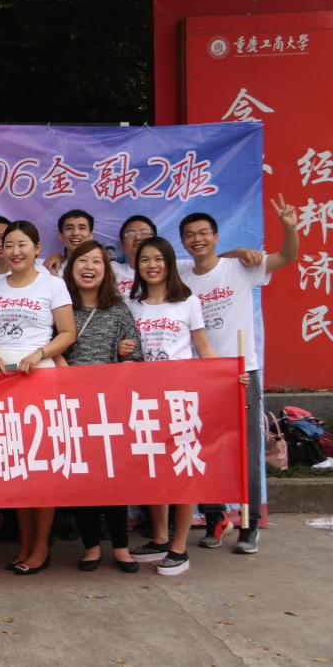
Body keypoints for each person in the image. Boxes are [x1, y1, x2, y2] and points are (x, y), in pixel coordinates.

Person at [179, 197, 299, 554]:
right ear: (183, 241)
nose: (197, 239)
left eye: (203, 233)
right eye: (190, 235)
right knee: (202, 448)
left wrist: (289, 227)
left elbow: (286, 257)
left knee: (246, 449)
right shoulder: (181, 273)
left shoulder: (240, 267)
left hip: (241, 370)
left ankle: (249, 524)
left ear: (215, 236)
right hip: (199, 373)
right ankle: (215, 517)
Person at [0, 221, 76, 576]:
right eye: (9, 245)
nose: (15, 251)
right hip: (2, 383)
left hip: (41, 378)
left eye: (22, 244)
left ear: (37, 248)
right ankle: (24, 542)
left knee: (42, 464)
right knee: (15, 466)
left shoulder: (53, 284)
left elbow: (67, 332)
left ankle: (40, 546)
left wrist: (39, 353)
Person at [126, 237, 223, 576]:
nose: (152, 265)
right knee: (153, 469)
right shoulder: (132, 304)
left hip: (180, 397)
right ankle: (159, 538)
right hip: (143, 398)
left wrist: (226, 376)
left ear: (169, 263)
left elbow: (202, 346)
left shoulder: (188, 302)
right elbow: (127, 349)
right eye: (145, 260)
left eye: (158, 259)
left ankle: (179, 547)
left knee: (182, 470)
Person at [61, 240, 142, 573]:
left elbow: (135, 358)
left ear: (106, 270)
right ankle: (91, 547)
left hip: (110, 406)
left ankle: (121, 547)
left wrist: (117, 380)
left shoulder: (119, 309)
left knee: (112, 476)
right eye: (82, 261)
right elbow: (50, 350)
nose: (89, 267)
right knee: (82, 478)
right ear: (71, 268)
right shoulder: (61, 308)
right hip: (70, 405)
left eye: (96, 261)